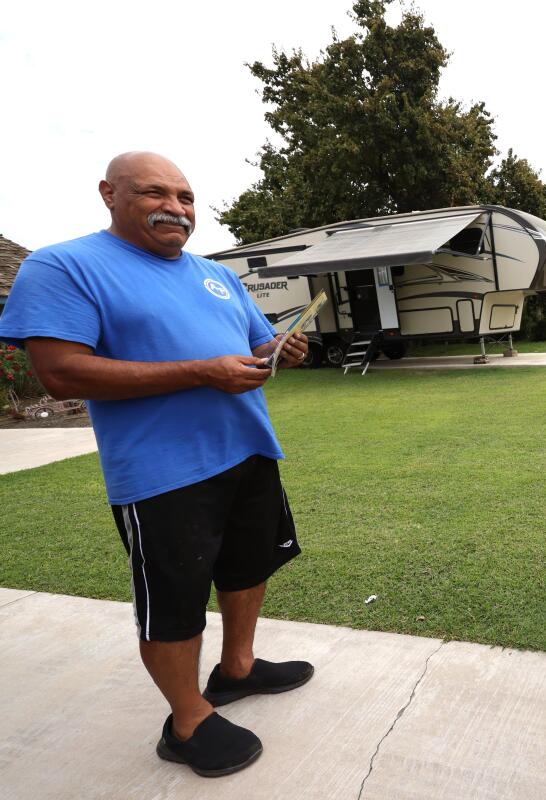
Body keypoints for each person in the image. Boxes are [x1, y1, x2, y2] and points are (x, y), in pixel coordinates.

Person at [0, 152, 314, 777]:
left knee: (249, 568)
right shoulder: (64, 266)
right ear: (109, 194)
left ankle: (238, 668)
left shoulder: (212, 273)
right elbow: (59, 371)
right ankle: (188, 720)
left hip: (248, 449)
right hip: (162, 471)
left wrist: (280, 348)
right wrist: (202, 371)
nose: (176, 207)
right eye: (154, 192)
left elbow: (251, 343)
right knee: (174, 599)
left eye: (186, 196)